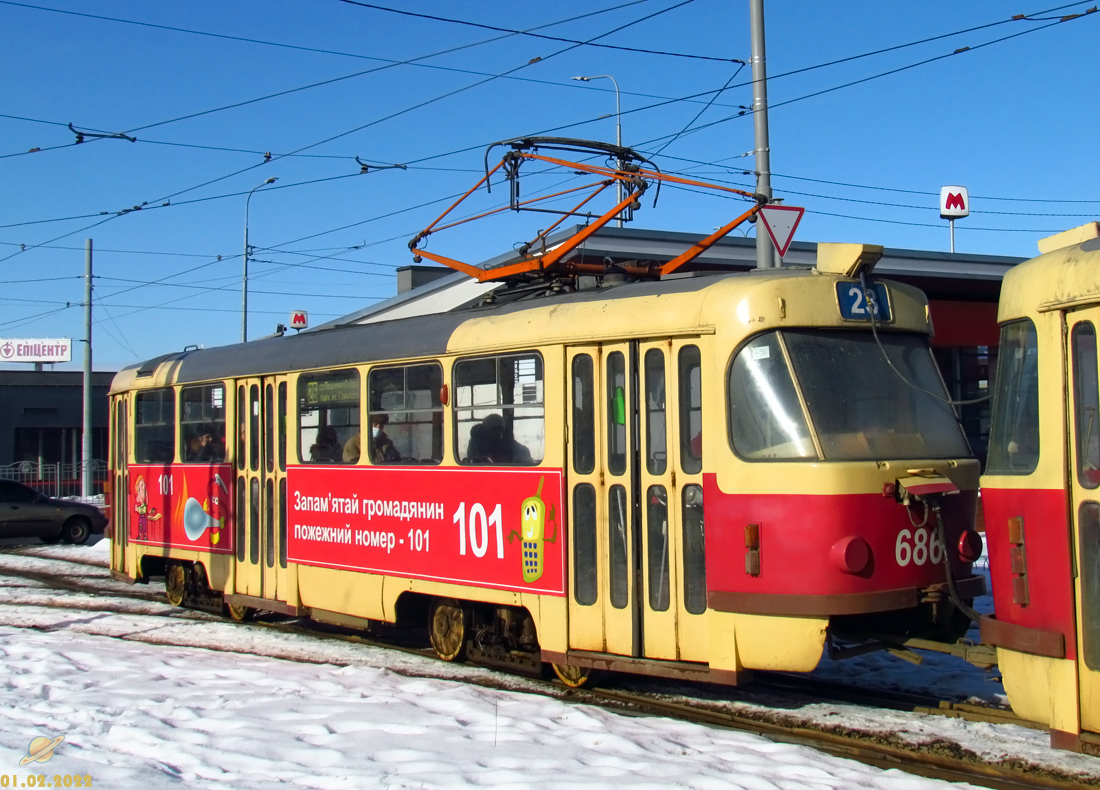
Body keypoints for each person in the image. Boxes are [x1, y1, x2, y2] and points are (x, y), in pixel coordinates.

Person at [466, 413, 534, 465]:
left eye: (500, 429)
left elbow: (523, 453)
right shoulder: (477, 444)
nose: (498, 433)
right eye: (494, 429)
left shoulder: (508, 442)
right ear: (486, 430)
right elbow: (473, 460)